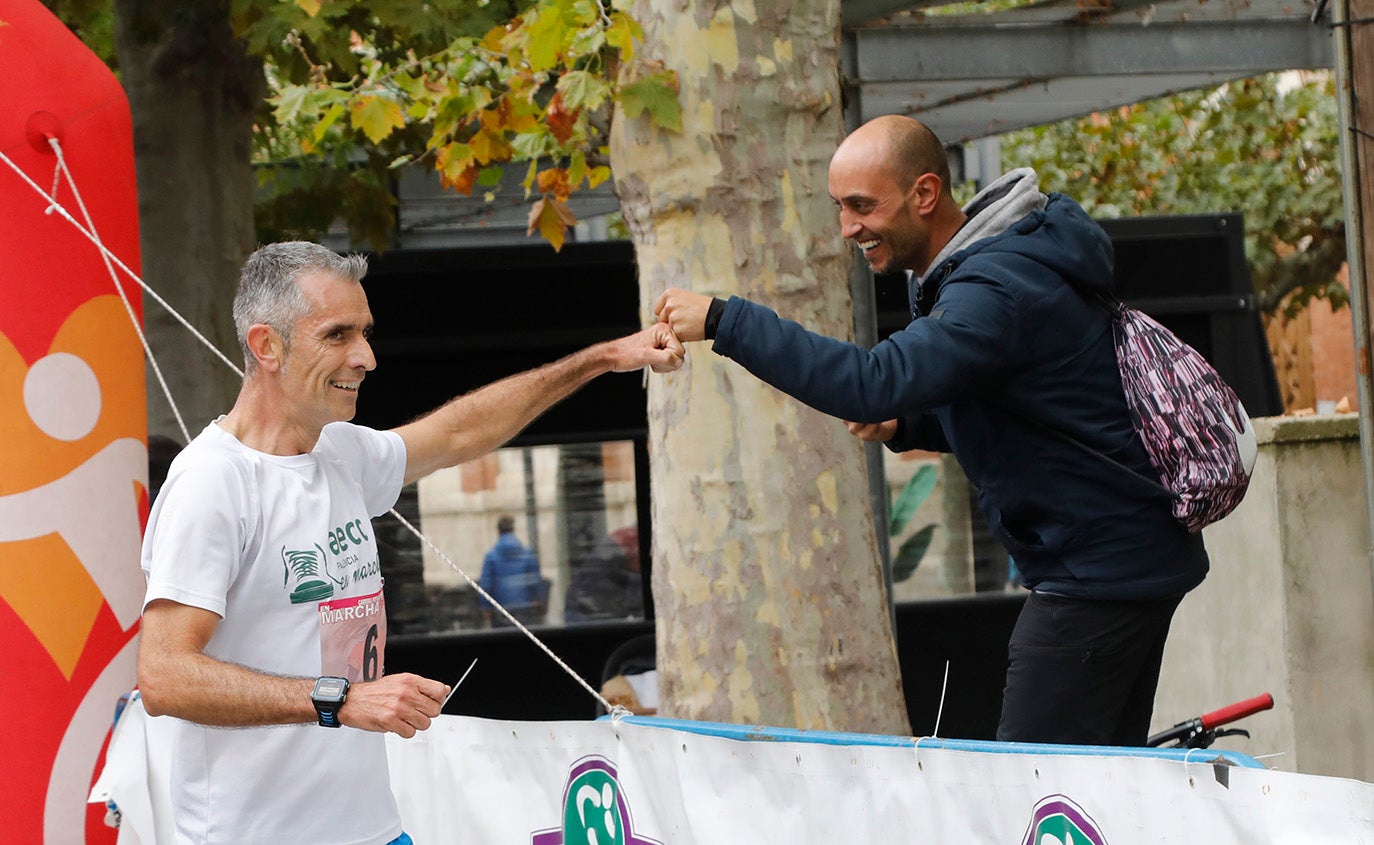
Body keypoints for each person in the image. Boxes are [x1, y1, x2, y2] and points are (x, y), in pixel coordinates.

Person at [653, 115, 1209, 747]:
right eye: (839, 207)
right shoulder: (998, 263)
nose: (847, 228)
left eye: (863, 206)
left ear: (923, 194)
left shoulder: (994, 288)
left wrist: (726, 321)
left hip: (1098, 574)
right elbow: (1030, 406)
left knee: (1035, 799)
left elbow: (869, 379)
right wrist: (908, 421)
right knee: (1104, 789)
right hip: (1122, 555)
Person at [137, 241, 683, 845]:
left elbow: (461, 431)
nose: (366, 357)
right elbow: (164, 678)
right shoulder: (213, 481)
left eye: (365, 333)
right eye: (338, 335)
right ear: (267, 346)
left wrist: (605, 358)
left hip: (371, 830)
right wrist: (338, 700)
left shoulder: (340, 452)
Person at [478, 514, 547, 627]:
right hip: (525, 608)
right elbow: (535, 580)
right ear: (513, 530)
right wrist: (538, 600)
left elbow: (486, 583)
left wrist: (485, 607)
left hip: (500, 610)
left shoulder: (491, 556)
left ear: (498, 531)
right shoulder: (527, 554)